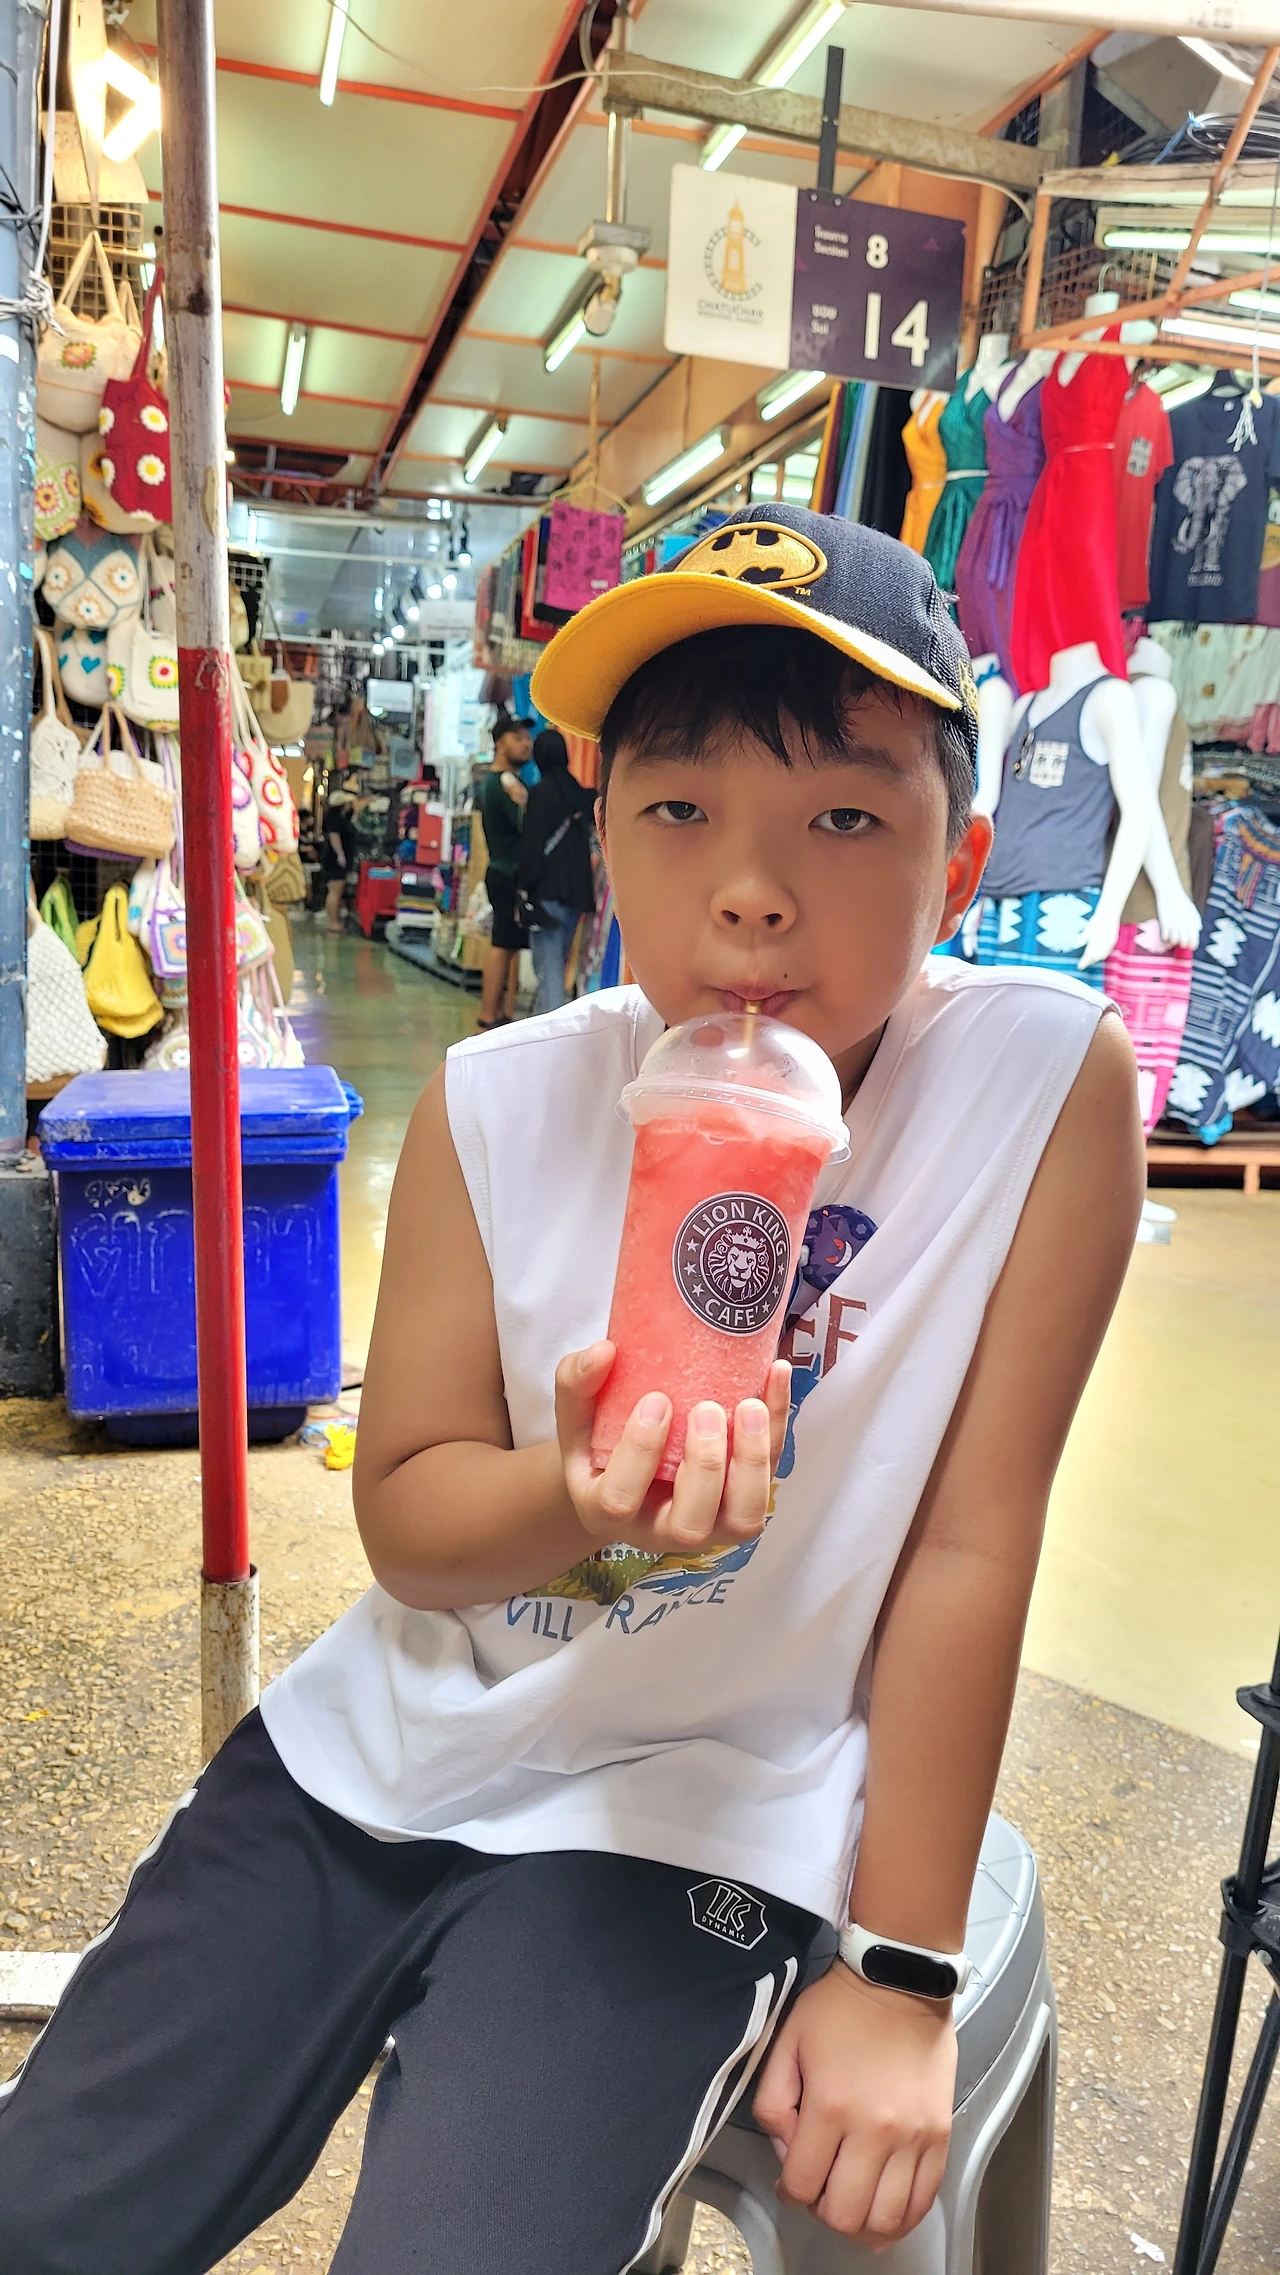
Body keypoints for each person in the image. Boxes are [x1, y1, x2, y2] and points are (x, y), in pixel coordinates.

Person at [0, 507, 1143, 2274]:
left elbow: (970, 1545)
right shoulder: (502, 1100)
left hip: (696, 1803)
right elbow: (409, 1523)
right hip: (377, 1752)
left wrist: (899, 1970)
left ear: (966, 862)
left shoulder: (1037, 1095)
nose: (749, 890)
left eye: (845, 818)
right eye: (678, 809)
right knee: (47, 2210)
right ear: (602, 839)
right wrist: (572, 1500)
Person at [517, 727, 597, 1013]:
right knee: (559, 963)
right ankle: (544, 1024)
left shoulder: (541, 794)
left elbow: (533, 844)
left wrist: (524, 886)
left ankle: (552, 1030)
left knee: (548, 968)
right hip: (577, 891)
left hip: (548, 890)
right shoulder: (580, 793)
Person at [474, 712, 532, 1032]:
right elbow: (524, 825)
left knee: (506, 945)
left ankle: (495, 1012)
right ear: (499, 743)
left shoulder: (505, 781)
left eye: (527, 738)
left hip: (505, 871)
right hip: (506, 872)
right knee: (502, 944)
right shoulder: (501, 784)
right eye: (517, 738)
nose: (526, 744)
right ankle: (487, 1015)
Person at [320, 788, 357, 933]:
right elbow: (334, 837)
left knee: (334, 890)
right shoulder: (336, 820)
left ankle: (333, 920)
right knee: (335, 891)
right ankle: (333, 922)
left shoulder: (336, 818)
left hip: (333, 858)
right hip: (335, 860)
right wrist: (340, 855)